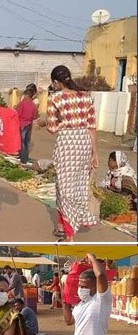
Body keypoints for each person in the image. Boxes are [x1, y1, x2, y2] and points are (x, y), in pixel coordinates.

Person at [43, 65, 98, 241]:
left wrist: (65, 123)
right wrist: (94, 153)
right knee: (78, 185)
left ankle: (69, 234)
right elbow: (92, 127)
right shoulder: (86, 97)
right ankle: (62, 225)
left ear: (55, 82)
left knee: (65, 188)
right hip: (84, 143)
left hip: (67, 142)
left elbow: (51, 128)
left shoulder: (55, 98)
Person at [16, 85, 38, 164]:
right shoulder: (33, 105)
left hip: (22, 124)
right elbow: (34, 116)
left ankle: (23, 158)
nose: (23, 97)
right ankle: (25, 157)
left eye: (24, 95)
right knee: (26, 141)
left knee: (21, 141)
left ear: (27, 95)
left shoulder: (23, 103)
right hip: (29, 125)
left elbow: (18, 114)